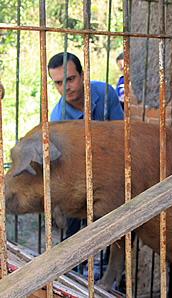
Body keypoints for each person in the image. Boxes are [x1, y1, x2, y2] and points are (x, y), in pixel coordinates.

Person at [48, 52, 124, 239]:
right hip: (77, 183)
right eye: (58, 83)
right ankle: (75, 268)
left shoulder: (105, 93)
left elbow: (122, 136)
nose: (66, 87)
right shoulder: (58, 120)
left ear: (83, 75)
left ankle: (108, 264)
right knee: (73, 237)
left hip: (112, 176)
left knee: (116, 232)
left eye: (71, 79)